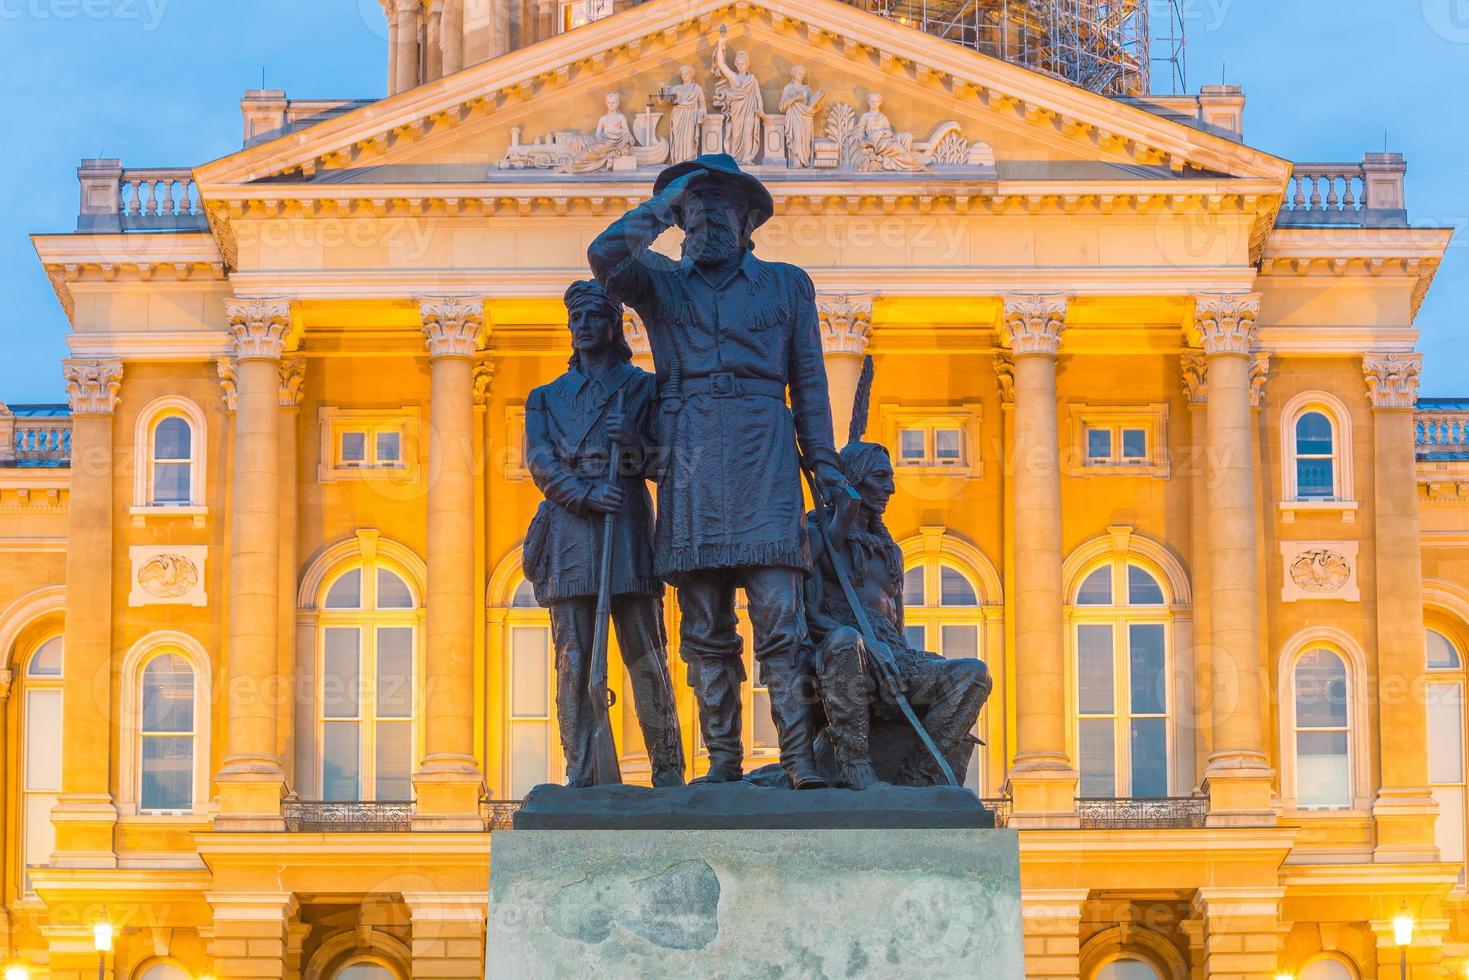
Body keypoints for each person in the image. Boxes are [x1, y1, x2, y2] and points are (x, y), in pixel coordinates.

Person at [588, 154, 849, 788]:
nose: (702, 221)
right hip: (691, 448)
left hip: (762, 443)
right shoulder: (661, 283)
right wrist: (659, 207)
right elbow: (604, 257)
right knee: (704, 626)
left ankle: (797, 756)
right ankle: (725, 760)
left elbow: (810, 382)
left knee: (779, 616)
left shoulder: (787, 285)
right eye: (692, 212)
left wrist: (824, 464)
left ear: (746, 219)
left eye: (715, 208)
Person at [522, 280, 685, 788]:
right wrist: (584, 494)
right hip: (573, 528)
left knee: (646, 654)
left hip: (627, 523)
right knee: (573, 658)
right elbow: (540, 461)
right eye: (576, 320)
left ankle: (667, 767)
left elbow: (673, 462)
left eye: (593, 318)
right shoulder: (546, 398)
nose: (583, 327)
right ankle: (582, 770)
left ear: (614, 325)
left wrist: (634, 446)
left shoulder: (643, 388)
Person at [801, 359, 993, 789]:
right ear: (855, 483)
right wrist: (865, 643)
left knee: (972, 674)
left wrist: (892, 655)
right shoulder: (817, 533)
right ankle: (854, 766)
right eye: (880, 479)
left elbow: (897, 625)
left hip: (893, 659)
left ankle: (919, 774)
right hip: (844, 660)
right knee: (843, 644)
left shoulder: (890, 551)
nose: (890, 488)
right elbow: (804, 615)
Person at [713, 33, 764, 164]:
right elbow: (721, 64)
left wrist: (760, 109)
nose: (741, 65)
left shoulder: (752, 79)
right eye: (739, 63)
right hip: (736, 110)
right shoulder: (733, 77)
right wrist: (720, 45)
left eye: (743, 63)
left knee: (748, 133)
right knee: (736, 133)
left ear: (747, 64)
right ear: (736, 64)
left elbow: (757, 95)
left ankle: (747, 157)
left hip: (750, 109)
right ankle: (735, 157)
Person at [563, 91, 636, 174]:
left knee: (589, 150)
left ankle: (575, 163)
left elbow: (627, 133)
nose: (611, 105)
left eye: (613, 103)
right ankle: (575, 163)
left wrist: (621, 138)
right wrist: (601, 138)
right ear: (606, 104)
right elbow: (598, 133)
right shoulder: (603, 118)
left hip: (613, 143)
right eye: (609, 103)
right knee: (579, 141)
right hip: (603, 142)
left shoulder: (620, 117)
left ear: (618, 103)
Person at [779, 66, 823, 169]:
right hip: (794, 117)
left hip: (806, 118)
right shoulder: (788, 88)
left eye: (802, 74)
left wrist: (818, 103)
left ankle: (804, 161)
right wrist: (796, 98)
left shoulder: (806, 89)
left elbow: (811, 104)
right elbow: (782, 107)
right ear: (793, 74)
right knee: (797, 139)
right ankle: (796, 163)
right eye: (799, 73)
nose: (801, 76)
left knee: (805, 142)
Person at [667, 65, 707, 165]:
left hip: (690, 117)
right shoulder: (677, 88)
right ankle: (678, 163)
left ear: (691, 75)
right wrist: (664, 90)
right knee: (678, 141)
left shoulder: (697, 89)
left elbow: (702, 104)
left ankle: (689, 163)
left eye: (686, 73)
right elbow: (667, 99)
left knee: (689, 140)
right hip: (678, 116)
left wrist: (701, 112)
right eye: (682, 74)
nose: (684, 76)